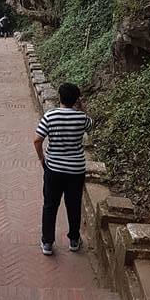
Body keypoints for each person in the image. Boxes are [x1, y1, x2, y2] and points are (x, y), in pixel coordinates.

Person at [33, 82, 93, 255]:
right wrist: (81, 109)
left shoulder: (50, 116)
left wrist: (42, 159)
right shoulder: (82, 118)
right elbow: (90, 126)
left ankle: (47, 243)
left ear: (59, 97)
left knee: (50, 205)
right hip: (75, 169)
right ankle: (74, 240)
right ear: (76, 100)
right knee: (73, 204)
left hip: (53, 169)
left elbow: (37, 140)